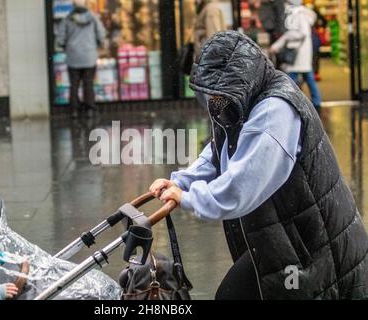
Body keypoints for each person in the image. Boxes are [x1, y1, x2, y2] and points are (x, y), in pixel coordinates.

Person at [150, 31, 368, 300]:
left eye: (216, 94)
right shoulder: (243, 103)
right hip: (286, 240)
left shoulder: (274, 110)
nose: (213, 103)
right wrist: (182, 181)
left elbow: (245, 183)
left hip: (310, 250)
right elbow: (219, 151)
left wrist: (190, 198)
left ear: (239, 81)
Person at [270, 0, 322, 111]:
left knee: (293, 78)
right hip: (301, 52)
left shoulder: (298, 14)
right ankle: (316, 101)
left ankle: (291, 100)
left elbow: (298, 33)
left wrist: (281, 42)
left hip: (298, 52)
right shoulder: (300, 13)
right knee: (307, 76)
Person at [57, 0, 106, 118]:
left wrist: (66, 47)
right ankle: (89, 109)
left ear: (73, 6)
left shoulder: (67, 19)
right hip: (89, 56)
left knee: (74, 84)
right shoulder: (93, 17)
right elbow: (101, 33)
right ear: (85, 5)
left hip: (73, 56)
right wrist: (98, 44)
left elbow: (60, 39)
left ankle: (74, 110)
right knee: (88, 83)